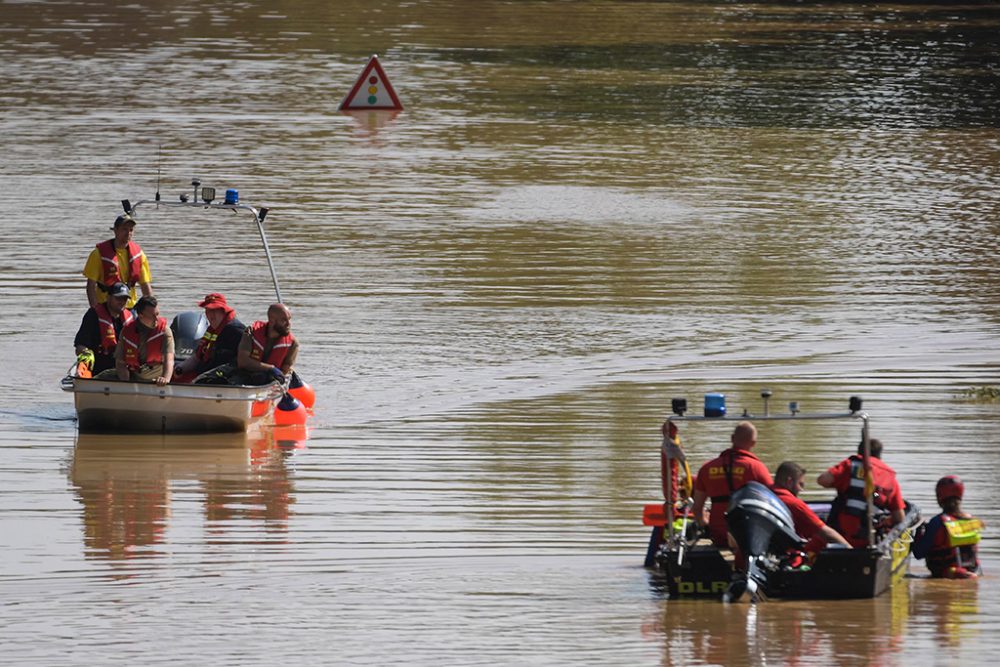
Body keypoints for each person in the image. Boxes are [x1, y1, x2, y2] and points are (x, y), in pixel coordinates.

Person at [691, 421, 773, 547]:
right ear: (753, 443)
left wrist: (704, 524)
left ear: (732, 439)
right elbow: (773, 501)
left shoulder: (707, 468)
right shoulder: (756, 468)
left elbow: (697, 508)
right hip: (746, 533)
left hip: (718, 533)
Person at [817, 437, 905, 547]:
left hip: (838, 536)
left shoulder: (850, 466)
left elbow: (822, 480)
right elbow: (899, 517)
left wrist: (843, 483)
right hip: (867, 540)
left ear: (859, 452)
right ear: (879, 455)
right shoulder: (890, 478)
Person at [911, 475, 984, 579]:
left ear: (939, 497)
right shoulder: (972, 521)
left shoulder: (937, 522)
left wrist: (918, 530)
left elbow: (918, 553)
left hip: (945, 573)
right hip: (973, 572)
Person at [772, 461, 851, 554]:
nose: (801, 490)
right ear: (789, 482)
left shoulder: (768, 492)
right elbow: (826, 532)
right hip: (793, 554)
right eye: (800, 484)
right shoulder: (793, 503)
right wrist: (851, 550)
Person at [82, 213, 153, 309]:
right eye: (124, 229)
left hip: (130, 307)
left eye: (131, 230)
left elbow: (145, 286)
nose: (128, 233)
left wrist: (151, 309)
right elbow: (90, 287)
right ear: (115, 230)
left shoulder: (139, 255)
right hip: (105, 306)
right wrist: (95, 310)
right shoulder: (98, 254)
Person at [173, 293, 245, 383]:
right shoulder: (211, 330)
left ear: (223, 311)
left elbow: (242, 361)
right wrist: (180, 368)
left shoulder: (236, 330)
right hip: (205, 370)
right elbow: (197, 357)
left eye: (215, 310)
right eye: (208, 310)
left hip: (224, 377)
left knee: (197, 381)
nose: (211, 315)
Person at [73, 282, 134, 375]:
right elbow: (80, 345)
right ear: (108, 298)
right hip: (99, 369)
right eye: (118, 298)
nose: (122, 302)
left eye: (125, 298)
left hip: (124, 369)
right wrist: (86, 354)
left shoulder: (131, 317)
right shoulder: (93, 315)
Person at [112, 295, 174, 385]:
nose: (157, 319)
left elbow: (169, 360)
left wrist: (165, 379)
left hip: (157, 377)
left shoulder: (164, 331)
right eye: (153, 316)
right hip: (134, 375)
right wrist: (125, 382)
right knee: (102, 377)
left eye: (157, 314)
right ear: (141, 316)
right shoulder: (127, 331)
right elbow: (120, 362)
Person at [233, 303, 298, 385]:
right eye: (284, 320)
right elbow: (242, 361)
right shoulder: (251, 333)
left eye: (289, 319)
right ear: (272, 321)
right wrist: (270, 368)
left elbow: (285, 370)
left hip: (271, 381)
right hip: (245, 377)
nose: (288, 324)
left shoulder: (293, 343)